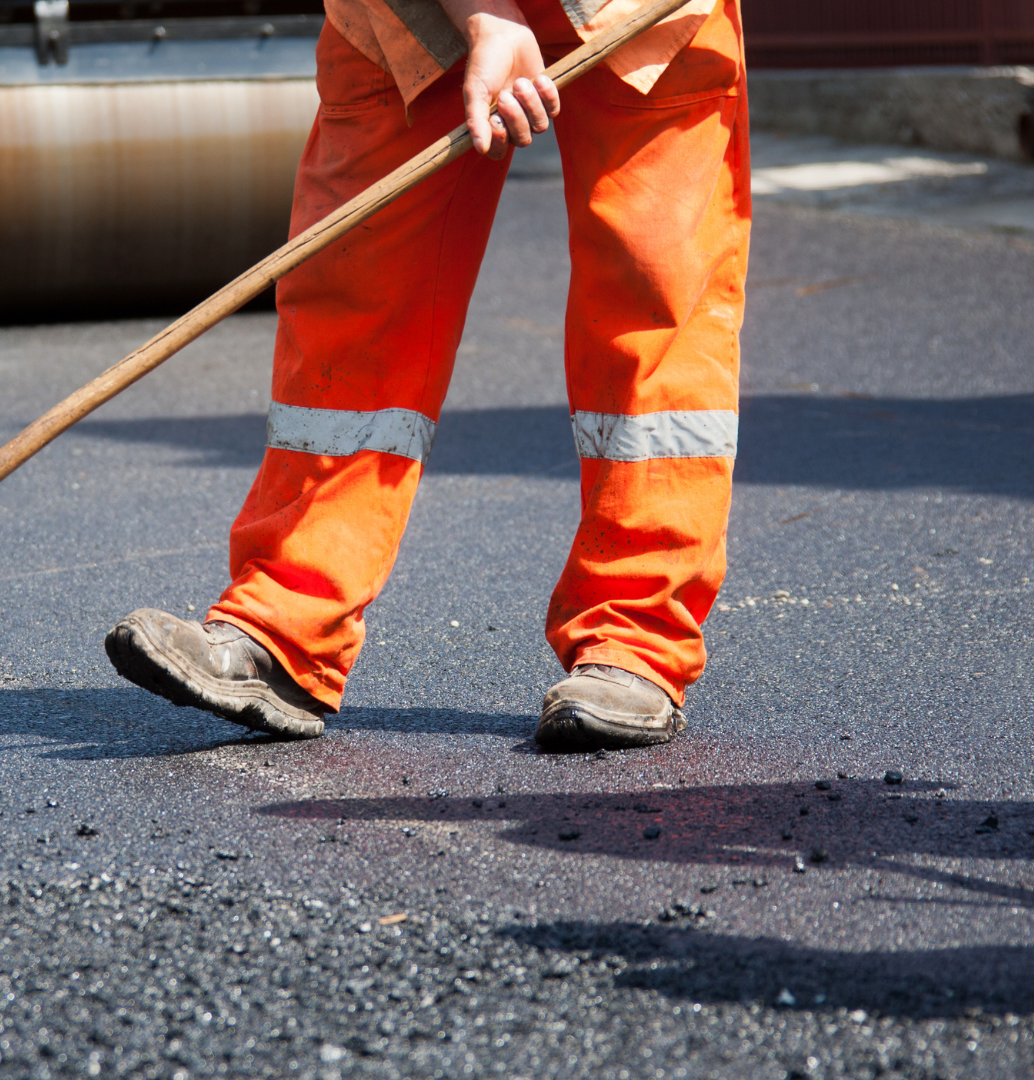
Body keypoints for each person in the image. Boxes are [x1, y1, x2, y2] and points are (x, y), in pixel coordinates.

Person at [105, 0, 748, 751]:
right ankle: (285, 626)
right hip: (410, 16)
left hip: (645, 13)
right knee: (356, 292)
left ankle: (635, 642)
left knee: (654, 296)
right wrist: (485, 16)